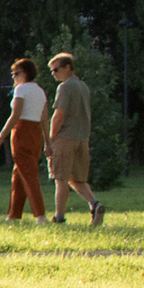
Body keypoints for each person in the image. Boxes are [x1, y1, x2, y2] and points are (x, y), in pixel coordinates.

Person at [43, 53, 105, 227]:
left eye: (56, 69)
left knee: (60, 178)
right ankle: (95, 204)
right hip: (82, 138)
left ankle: (59, 217)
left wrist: (50, 140)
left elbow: (58, 115)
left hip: (65, 138)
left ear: (68, 67)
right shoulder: (83, 86)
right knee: (77, 179)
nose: (53, 73)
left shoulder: (65, 87)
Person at [0, 57, 48, 223]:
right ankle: (14, 215)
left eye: (17, 73)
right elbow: (44, 118)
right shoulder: (40, 91)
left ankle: (40, 215)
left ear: (27, 73)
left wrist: (0, 137)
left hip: (22, 132)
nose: (14, 76)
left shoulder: (21, 90)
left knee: (29, 175)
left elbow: (15, 115)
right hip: (35, 133)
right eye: (13, 73)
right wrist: (47, 142)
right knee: (19, 174)